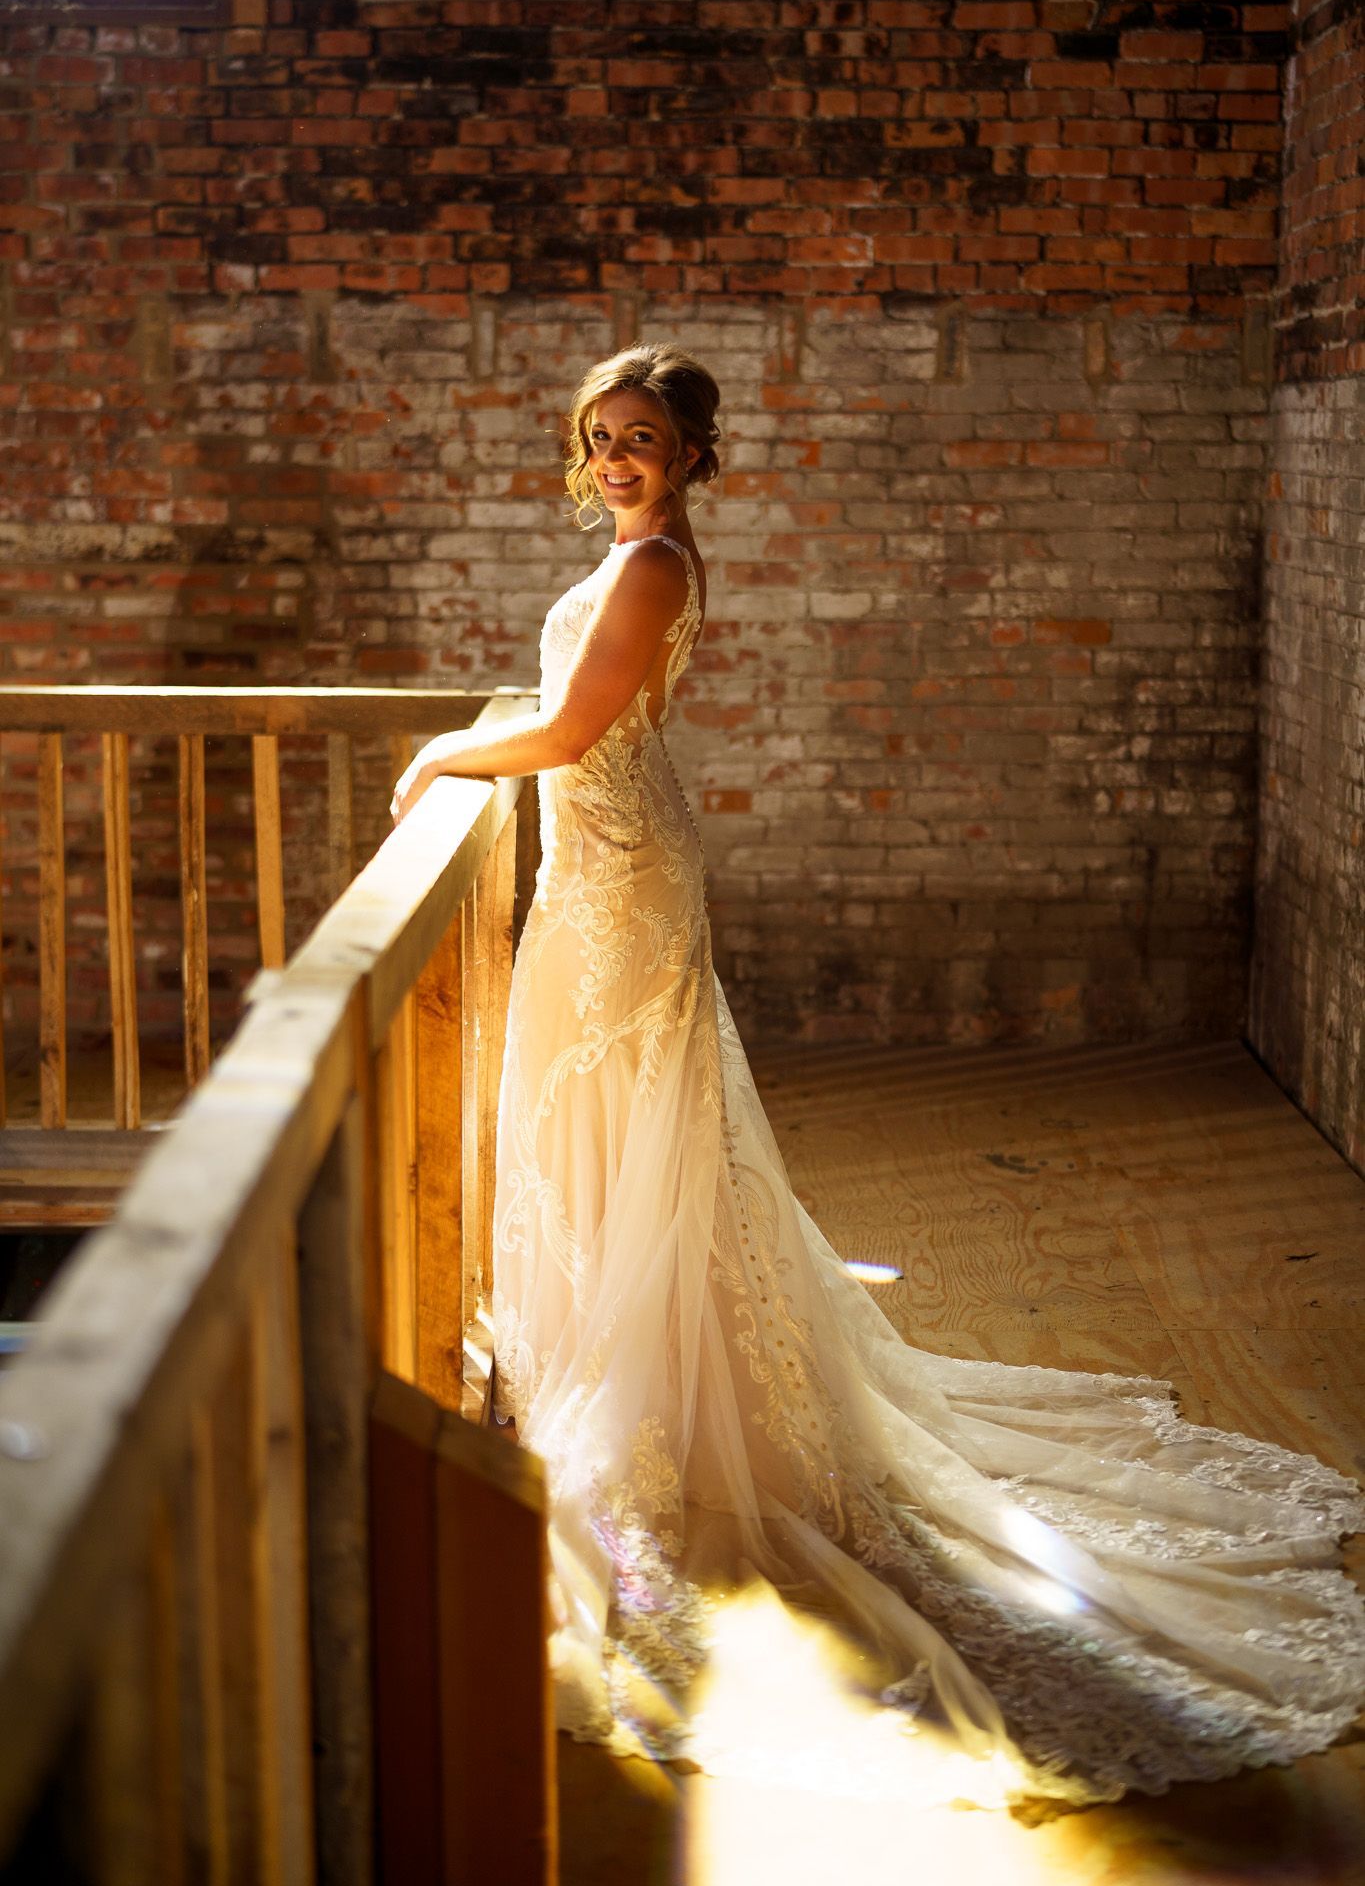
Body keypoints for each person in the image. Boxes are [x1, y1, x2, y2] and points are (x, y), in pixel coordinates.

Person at [390, 342, 1365, 1811]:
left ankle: (653, 1421)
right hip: (598, 863)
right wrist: (484, 749)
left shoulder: (651, 566)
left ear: (691, 451)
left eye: (640, 437)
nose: (613, 459)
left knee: (620, 1117)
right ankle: (624, 1382)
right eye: (597, 437)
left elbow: (576, 731)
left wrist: (444, 756)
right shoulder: (641, 555)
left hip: (619, 878)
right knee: (598, 1125)